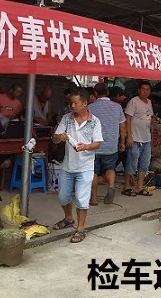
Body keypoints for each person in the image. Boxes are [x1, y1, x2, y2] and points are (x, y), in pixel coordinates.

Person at [51, 88, 103, 243]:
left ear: (85, 103)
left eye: (76, 103)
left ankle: (81, 228)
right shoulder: (67, 118)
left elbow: (97, 143)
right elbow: (54, 139)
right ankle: (68, 218)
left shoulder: (95, 121)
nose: (72, 106)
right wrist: (59, 138)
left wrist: (86, 146)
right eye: (71, 103)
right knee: (63, 196)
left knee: (81, 198)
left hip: (85, 166)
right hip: (67, 165)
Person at [88, 83, 127, 205]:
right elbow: (122, 126)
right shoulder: (117, 107)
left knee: (93, 171)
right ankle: (111, 186)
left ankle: (94, 199)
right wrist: (122, 142)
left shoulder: (90, 108)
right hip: (111, 145)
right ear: (108, 93)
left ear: (95, 93)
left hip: (94, 146)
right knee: (110, 168)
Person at [122, 80, 156, 197]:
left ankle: (139, 187)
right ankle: (126, 186)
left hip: (146, 138)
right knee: (131, 163)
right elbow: (128, 118)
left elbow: (149, 117)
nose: (145, 92)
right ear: (138, 90)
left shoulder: (149, 102)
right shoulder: (134, 101)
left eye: (147, 90)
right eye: (143, 89)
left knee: (144, 164)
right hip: (135, 138)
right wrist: (129, 136)